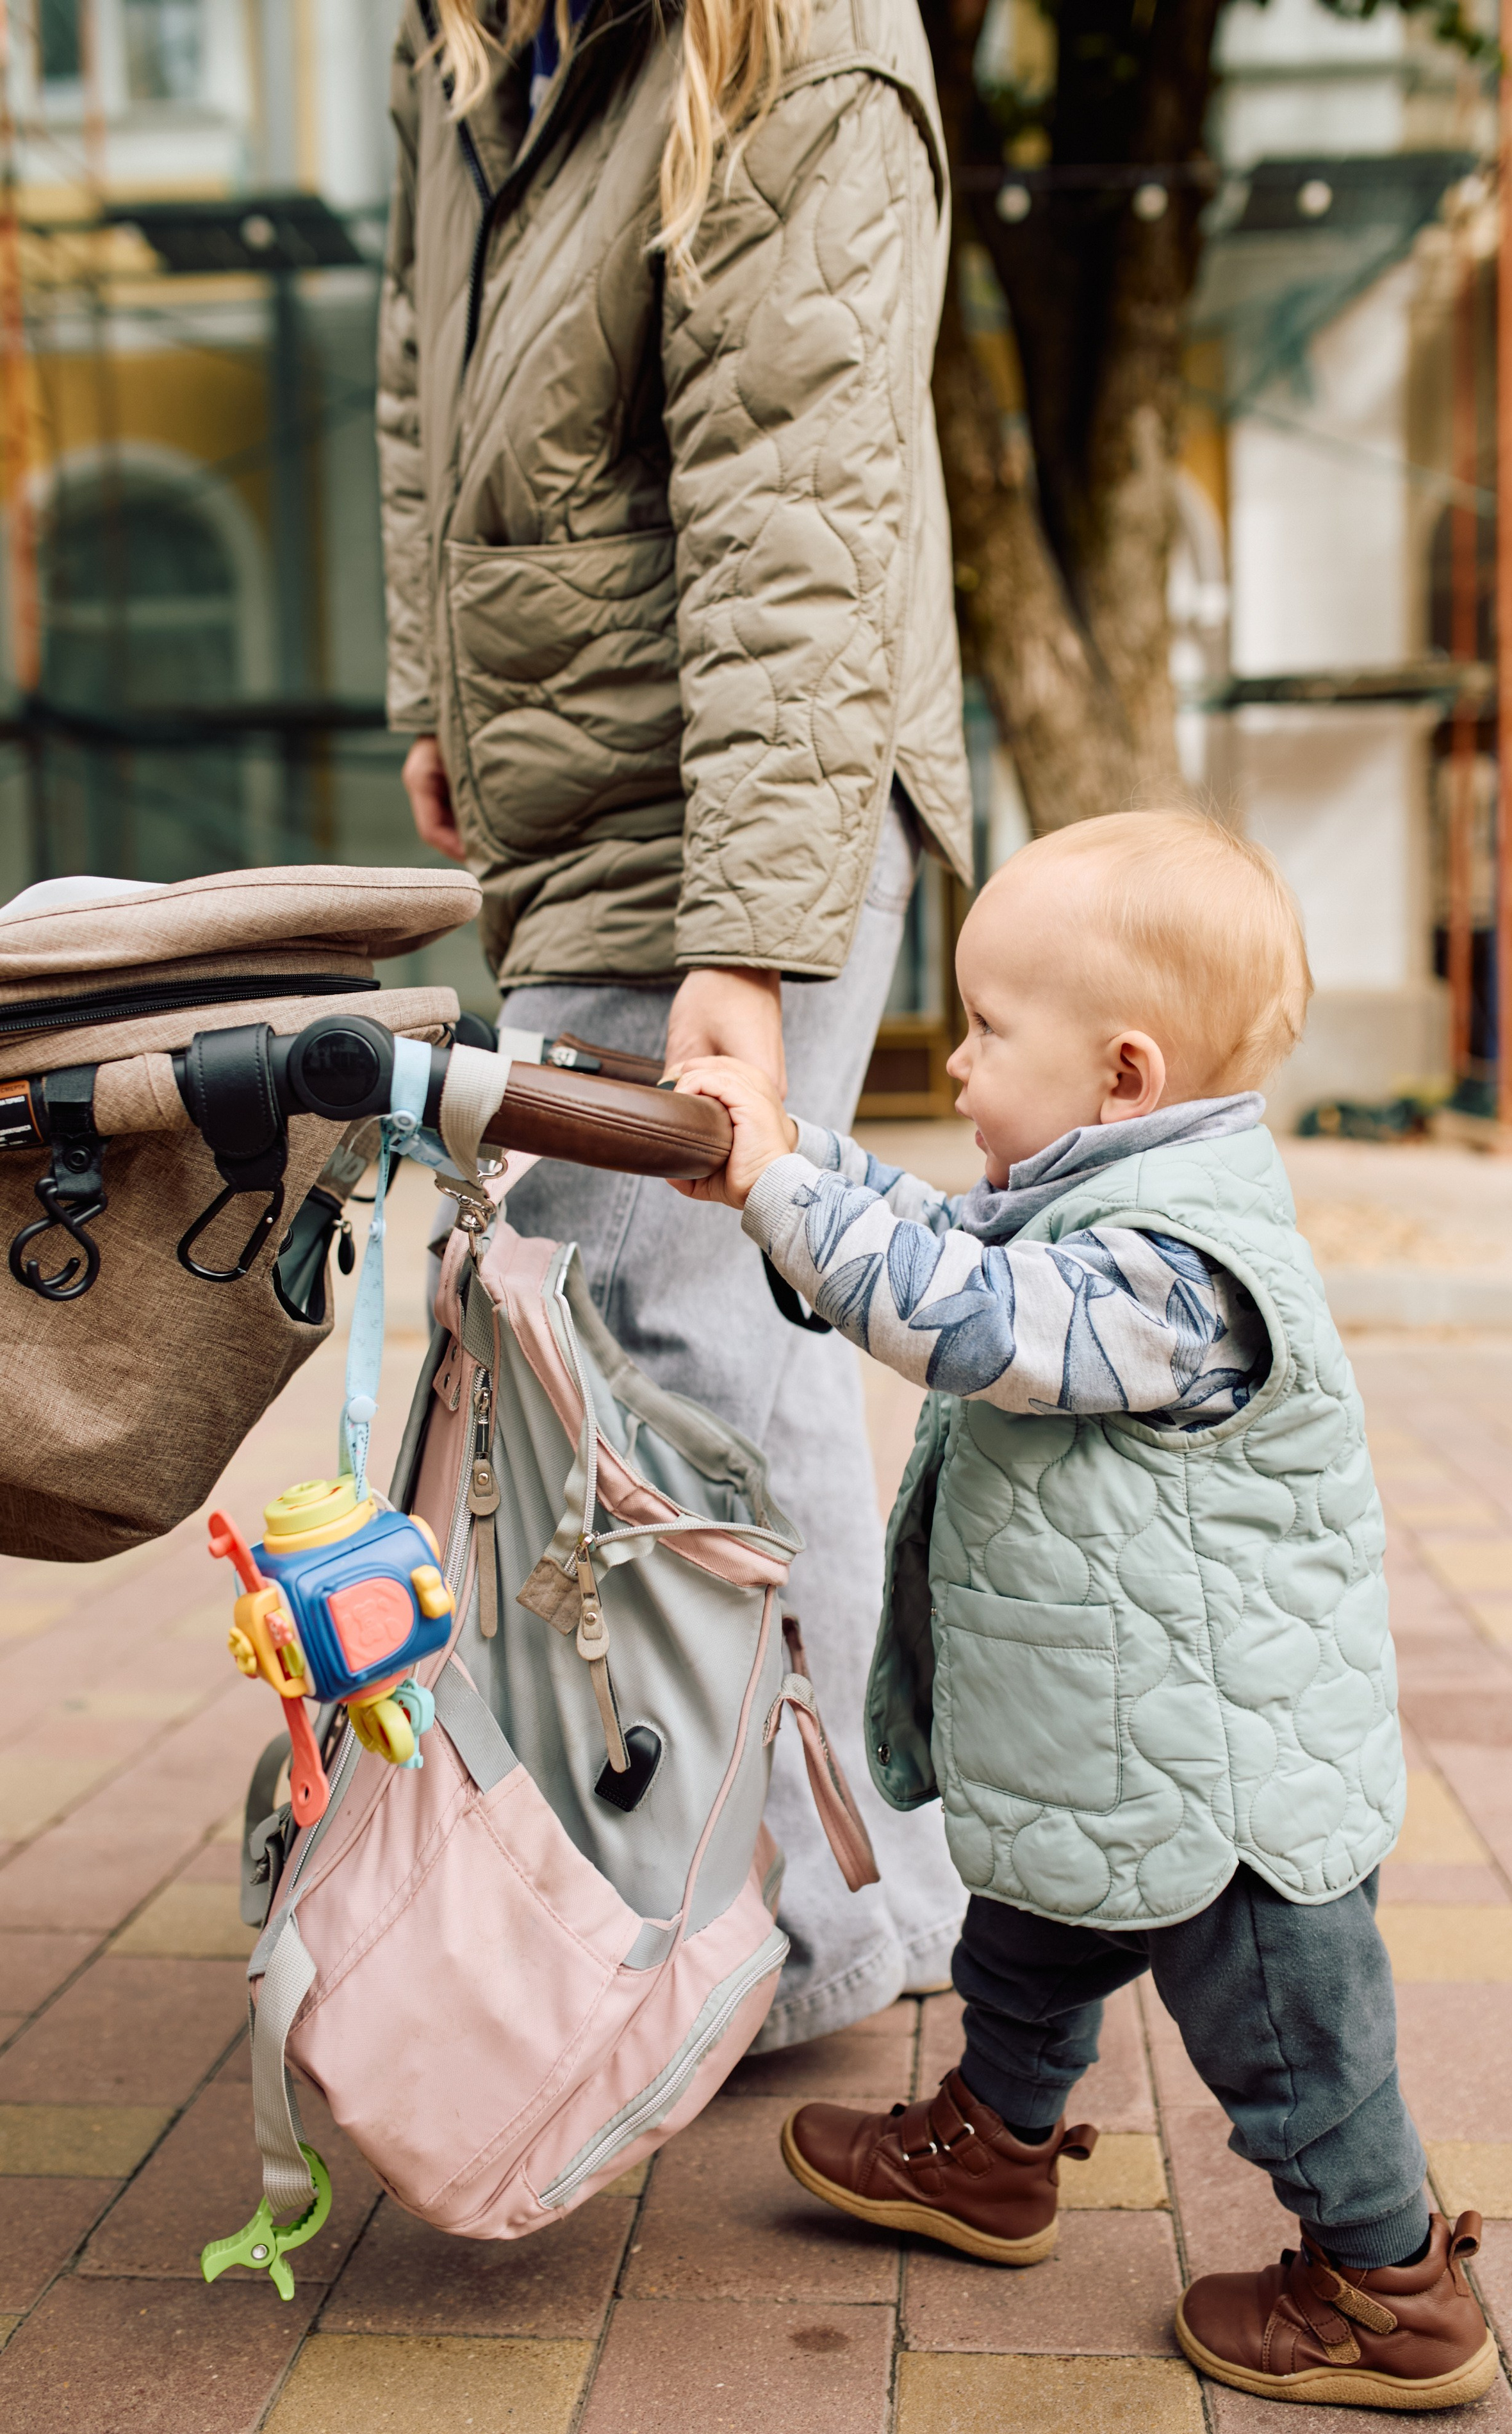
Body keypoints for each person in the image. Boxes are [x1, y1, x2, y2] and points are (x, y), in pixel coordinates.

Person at [671, 809, 1499, 2412]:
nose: (959, 1065)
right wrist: (781, 1152)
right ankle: (992, 2149)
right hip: (1118, 1755)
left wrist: (780, 1185)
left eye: (985, 1030)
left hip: (1224, 1786)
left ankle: (1390, 2284)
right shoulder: (1088, 1197)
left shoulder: (1179, 1272)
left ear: (1122, 1073)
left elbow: (970, 1319)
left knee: (1290, 2049)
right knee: (1030, 1941)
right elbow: (938, 1236)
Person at [379, 0, 972, 2044]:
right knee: (684, 1341)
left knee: (676, 1334)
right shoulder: (472, 40)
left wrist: (750, 938)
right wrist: (428, 689)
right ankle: (840, 1892)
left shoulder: (786, 37)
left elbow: (802, 500)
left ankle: (822, 1930)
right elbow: (417, 368)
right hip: (582, 779)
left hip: (748, 801)